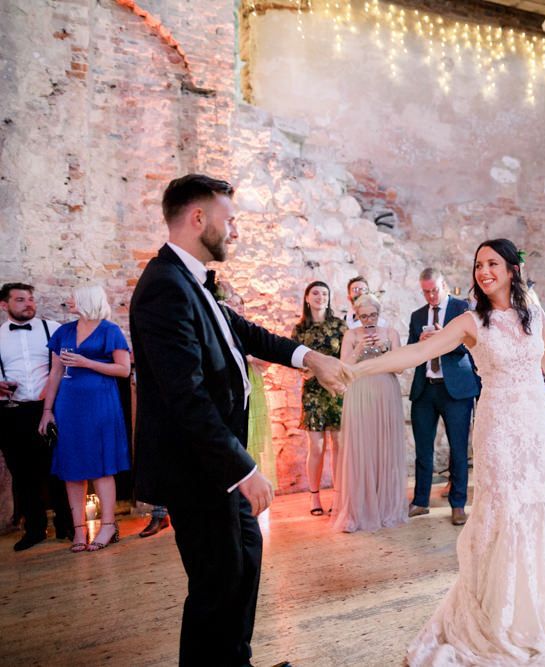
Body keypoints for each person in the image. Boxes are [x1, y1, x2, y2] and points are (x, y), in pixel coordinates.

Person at [344, 239, 545, 665]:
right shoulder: (469, 321)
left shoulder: (533, 314)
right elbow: (418, 352)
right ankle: (495, 614)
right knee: (503, 513)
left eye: (493, 263)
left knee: (533, 511)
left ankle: (531, 613)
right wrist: (358, 368)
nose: (484, 271)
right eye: (479, 265)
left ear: (512, 269)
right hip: (498, 425)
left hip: (535, 426)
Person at [130, 173, 344, 667]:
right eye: (230, 220)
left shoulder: (191, 279)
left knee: (241, 565)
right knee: (214, 585)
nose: (236, 232)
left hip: (216, 466)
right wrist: (243, 470)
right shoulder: (164, 286)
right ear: (198, 217)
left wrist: (309, 357)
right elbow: (186, 397)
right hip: (199, 471)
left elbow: (243, 332)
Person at [39, 284, 131, 552]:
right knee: (71, 467)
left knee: (102, 466)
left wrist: (87, 363)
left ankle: (108, 526)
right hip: (69, 407)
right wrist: (47, 411)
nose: (68, 300)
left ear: (87, 300)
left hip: (101, 405)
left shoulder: (110, 330)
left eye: (73, 297)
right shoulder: (64, 331)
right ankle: (79, 531)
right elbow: (55, 373)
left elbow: (124, 370)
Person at [0, 283, 72, 551]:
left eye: (31, 299)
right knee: (22, 473)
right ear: (4, 305)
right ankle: (34, 529)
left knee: (58, 467)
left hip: (49, 409)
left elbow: (66, 365)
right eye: (21, 300)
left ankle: (66, 524)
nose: (29, 304)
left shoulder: (52, 329)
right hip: (12, 412)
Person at [407, 268, 480, 526]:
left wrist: (444, 339)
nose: (431, 296)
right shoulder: (417, 315)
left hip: (456, 390)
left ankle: (458, 504)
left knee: (458, 448)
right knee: (423, 449)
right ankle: (420, 501)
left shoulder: (463, 309)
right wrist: (421, 341)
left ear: (445, 285)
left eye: (434, 290)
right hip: (425, 389)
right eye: (425, 291)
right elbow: (411, 351)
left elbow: (473, 345)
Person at [333, 293, 407, 532]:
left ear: (379, 313)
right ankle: (357, 511)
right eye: (363, 316)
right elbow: (343, 369)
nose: (368, 320)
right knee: (361, 449)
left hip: (386, 393)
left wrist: (385, 350)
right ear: (357, 316)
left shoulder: (392, 334)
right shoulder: (350, 335)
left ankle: (386, 508)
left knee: (383, 448)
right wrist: (360, 349)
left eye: (373, 315)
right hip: (360, 394)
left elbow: (399, 367)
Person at [291, 281, 347, 515]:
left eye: (325, 293)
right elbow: (292, 359)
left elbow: (346, 357)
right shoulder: (300, 329)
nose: (320, 297)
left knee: (339, 446)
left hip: (335, 390)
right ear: (306, 298)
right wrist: (307, 370)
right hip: (313, 392)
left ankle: (338, 496)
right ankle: (314, 498)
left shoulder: (339, 326)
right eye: (315, 293)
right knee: (316, 446)